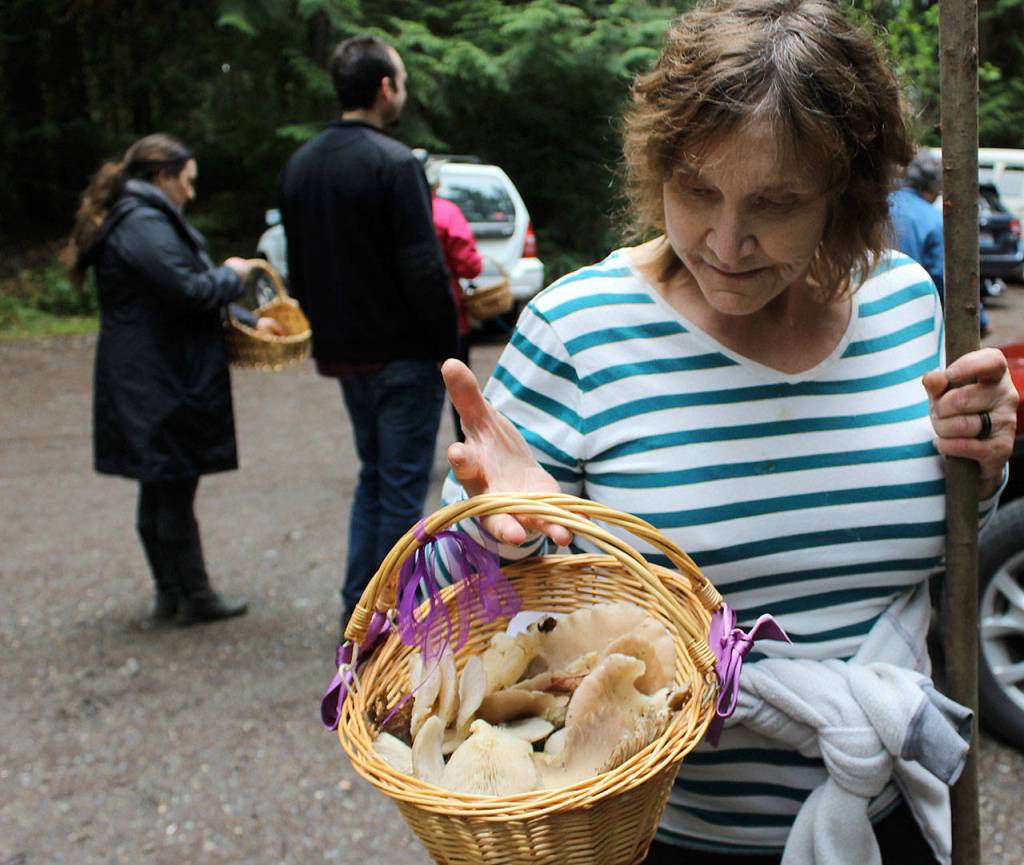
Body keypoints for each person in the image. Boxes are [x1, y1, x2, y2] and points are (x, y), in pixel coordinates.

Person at [438, 2, 1018, 863]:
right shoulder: (581, 330)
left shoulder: (906, 302)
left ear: (845, 192)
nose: (726, 241)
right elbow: (452, 616)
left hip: (888, 815)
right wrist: (503, 540)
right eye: (697, 190)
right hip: (666, 834)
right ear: (657, 166)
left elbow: (938, 527)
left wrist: (983, 457)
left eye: (776, 202)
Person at [63, 133, 281, 625]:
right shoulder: (142, 221)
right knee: (171, 485)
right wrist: (232, 275)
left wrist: (244, 321)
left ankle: (173, 593)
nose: (191, 191)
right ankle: (192, 596)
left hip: (150, 371)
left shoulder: (138, 218)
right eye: (187, 181)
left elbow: (171, 291)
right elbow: (186, 288)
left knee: (163, 486)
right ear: (163, 176)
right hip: (156, 376)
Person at [279, 36, 457, 630]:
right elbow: (422, 265)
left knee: (375, 473)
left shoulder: (301, 165)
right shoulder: (394, 162)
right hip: (403, 352)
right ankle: (385, 620)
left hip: (343, 355)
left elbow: (296, 269)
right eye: (401, 81)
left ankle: (357, 600)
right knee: (403, 486)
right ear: (386, 87)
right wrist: (448, 347)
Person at [889, 148, 991, 335]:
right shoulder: (934, 220)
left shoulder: (874, 210)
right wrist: (981, 321)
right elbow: (950, 278)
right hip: (914, 323)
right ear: (933, 186)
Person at [425, 156, 483, 442]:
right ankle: (466, 446)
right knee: (459, 388)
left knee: (416, 392)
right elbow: (470, 266)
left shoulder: (389, 212)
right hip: (448, 318)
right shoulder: (445, 213)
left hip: (400, 323)